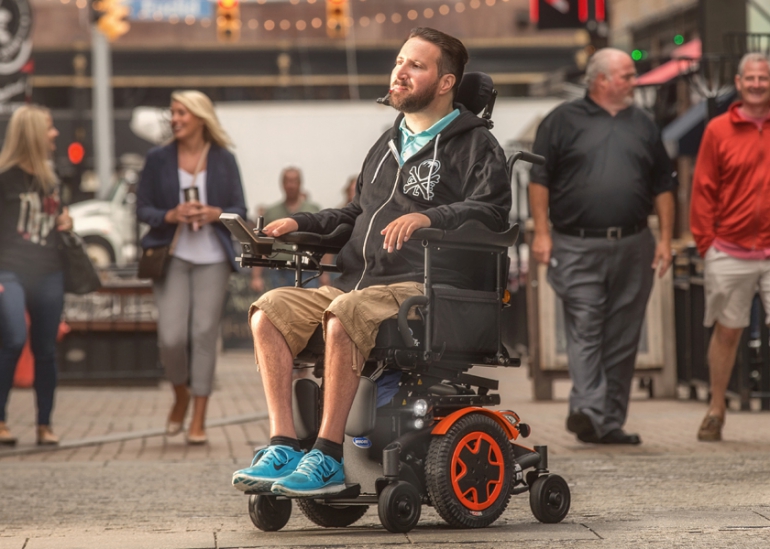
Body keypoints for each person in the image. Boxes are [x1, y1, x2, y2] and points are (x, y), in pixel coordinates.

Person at [231, 27, 511, 496]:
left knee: (345, 312)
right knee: (269, 312)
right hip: (359, 286)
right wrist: (298, 223)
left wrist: (430, 216)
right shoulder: (387, 143)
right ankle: (284, 445)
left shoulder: (475, 145)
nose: (400, 71)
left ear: (446, 82)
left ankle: (327, 455)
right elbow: (356, 214)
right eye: (400, 61)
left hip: (424, 287)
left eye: (416, 65)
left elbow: (493, 212)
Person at [529, 48, 676, 445]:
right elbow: (539, 180)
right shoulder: (561, 120)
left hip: (634, 243)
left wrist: (665, 240)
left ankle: (608, 423)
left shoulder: (644, 123)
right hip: (575, 244)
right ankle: (589, 409)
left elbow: (664, 185)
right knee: (586, 325)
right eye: (627, 75)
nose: (634, 82)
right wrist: (541, 233)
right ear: (601, 80)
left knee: (624, 336)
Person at [137, 90, 247, 445]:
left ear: (201, 117)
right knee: (171, 338)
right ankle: (180, 393)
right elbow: (142, 208)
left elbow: (239, 209)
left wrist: (215, 213)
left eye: (182, 113)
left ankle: (198, 417)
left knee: (203, 335)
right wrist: (170, 215)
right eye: (173, 113)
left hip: (213, 258)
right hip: (171, 256)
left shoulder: (224, 159)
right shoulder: (158, 158)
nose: (175, 119)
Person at [690, 53, 770, 442]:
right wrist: (707, 244)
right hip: (729, 249)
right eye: (750, 78)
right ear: (738, 83)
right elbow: (703, 189)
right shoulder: (718, 130)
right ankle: (716, 407)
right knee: (728, 331)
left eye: (763, 78)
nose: (757, 84)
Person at [0, 105, 72, 446]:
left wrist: (67, 221)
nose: (55, 133)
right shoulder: (5, 178)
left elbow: (59, 219)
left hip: (48, 272)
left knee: (45, 349)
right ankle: (1, 419)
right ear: (32, 133)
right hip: (9, 271)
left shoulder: (51, 178)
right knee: (13, 339)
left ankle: (44, 424)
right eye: (49, 127)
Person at [250, 167, 321, 292]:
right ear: (282, 184)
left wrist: (325, 273)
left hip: (308, 269)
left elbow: (324, 241)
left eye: (294, 181)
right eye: (287, 181)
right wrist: (256, 276)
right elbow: (261, 245)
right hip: (279, 270)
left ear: (300, 183)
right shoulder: (272, 213)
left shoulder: (313, 211)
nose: (291, 185)